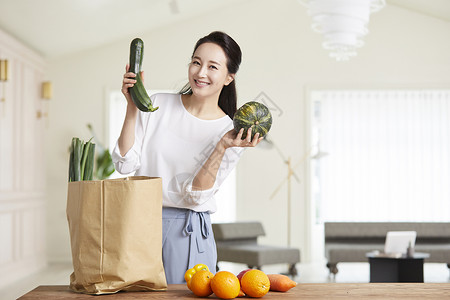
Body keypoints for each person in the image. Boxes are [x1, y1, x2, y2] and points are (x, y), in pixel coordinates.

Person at [111, 31, 263, 284]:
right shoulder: (156, 105)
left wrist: (222, 146)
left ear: (229, 77)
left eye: (212, 66)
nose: (201, 73)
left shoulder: (231, 132)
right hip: (139, 223)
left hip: (187, 232)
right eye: (196, 62)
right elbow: (125, 163)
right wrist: (131, 106)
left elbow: (195, 195)